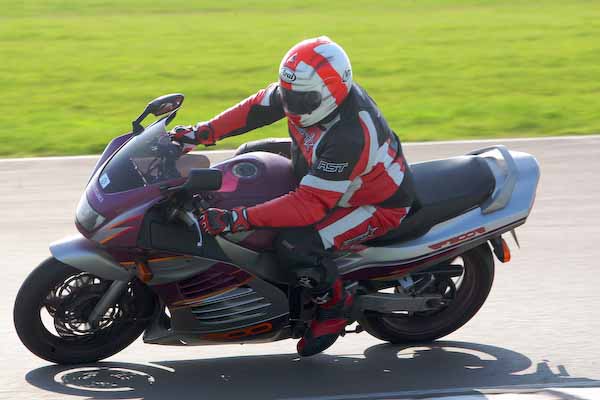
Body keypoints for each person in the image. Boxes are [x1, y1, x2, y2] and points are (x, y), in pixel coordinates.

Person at [170, 36, 416, 356]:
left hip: (372, 204)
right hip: (320, 169)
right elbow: (254, 108)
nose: (291, 106)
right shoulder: (304, 92)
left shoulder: (350, 135)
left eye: (300, 100)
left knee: (296, 244)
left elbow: (310, 205)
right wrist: (201, 133)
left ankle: (334, 307)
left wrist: (237, 218)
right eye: (287, 95)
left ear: (332, 93)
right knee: (247, 158)